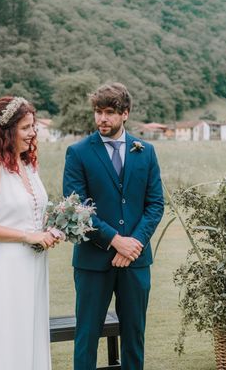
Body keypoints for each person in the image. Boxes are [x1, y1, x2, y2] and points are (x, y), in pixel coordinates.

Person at [63, 83, 164, 370]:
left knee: (134, 335)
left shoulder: (145, 151)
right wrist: (114, 240)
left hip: (135, 260)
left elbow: (155, 204)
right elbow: (77, 207)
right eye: (98, 112)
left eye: (109, 112)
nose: (102, 119)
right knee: (87, 336)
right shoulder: (78, 152)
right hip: (93, 261)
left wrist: (133, 244)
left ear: (125, 114)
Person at [0, 96, 60, 370]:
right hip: (8, 266)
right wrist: (26, 236)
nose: (33, 133)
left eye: (33, 126)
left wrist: (53, 227)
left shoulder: (30, 166)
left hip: (34, 264)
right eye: (26, 127)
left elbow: (34, 213)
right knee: (11, 335)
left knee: (32, 330)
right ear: (7, 131)